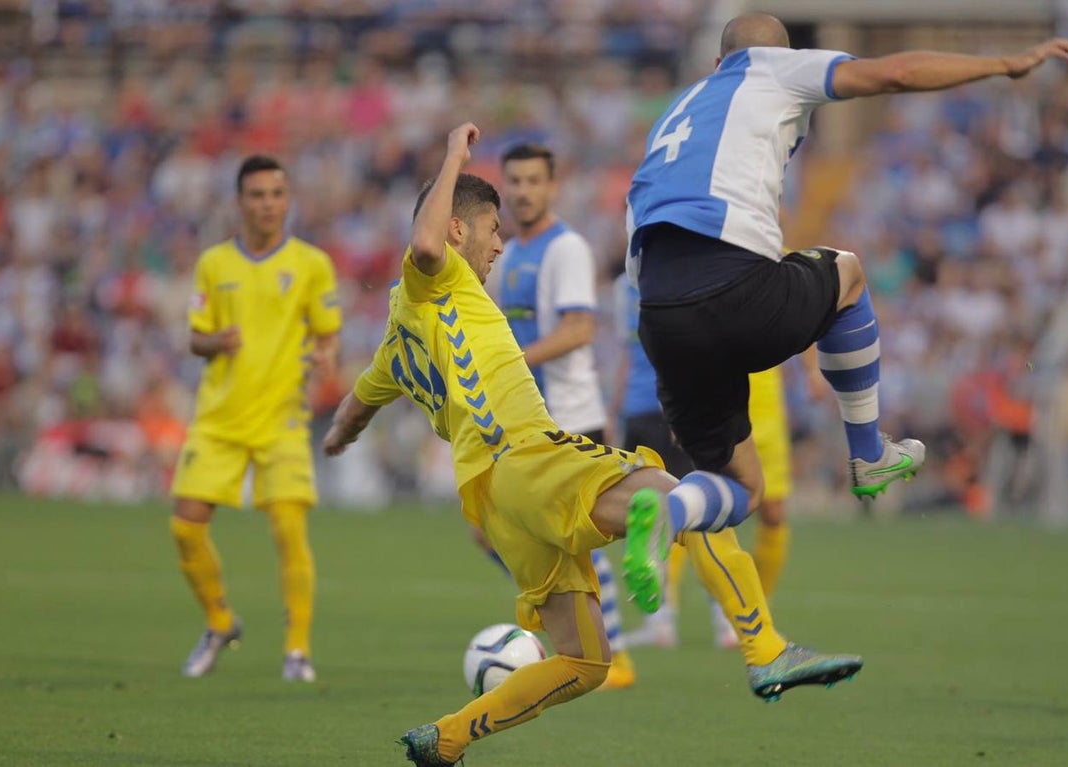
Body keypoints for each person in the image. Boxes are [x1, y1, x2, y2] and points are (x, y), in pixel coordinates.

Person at [323, 124, 862, 767]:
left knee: (584, 661)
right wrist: (452, 158)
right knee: (691, 497)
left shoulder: (394, 337)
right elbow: (424, 242)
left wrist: (338, 436)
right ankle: (765, 648)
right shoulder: (437, 281)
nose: (499, 243)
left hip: (495, 506)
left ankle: (447, 738)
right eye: (491, 228)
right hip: (531, 457)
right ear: (458, 230)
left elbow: (354, 409)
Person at [626, 13, 1068, 533]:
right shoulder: (772, 70)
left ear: (714, 64)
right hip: (728, 282)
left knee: (741, 486)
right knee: (847, 272)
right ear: (783, 53)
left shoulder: (674, 115)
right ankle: (869, 454)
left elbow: (638, 248)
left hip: (660, 317)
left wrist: (675, 366)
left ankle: (666, 509)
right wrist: (1004, 64)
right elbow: (898, 73)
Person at [169, 155, 342, 683]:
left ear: (287, 200)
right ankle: (220, 622)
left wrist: (329, 354)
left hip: (282, 419)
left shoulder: (312, 264)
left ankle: (297, 651)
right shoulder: (214, 264)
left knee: (289, 530)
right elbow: (195, 336)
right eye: (257, 195)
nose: (268, 204)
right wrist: (216, 341)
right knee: (185, 526)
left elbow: (327, 330)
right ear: (239, 202)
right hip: (219, 417)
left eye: (276, 194)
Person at [488, 142, 633, 689]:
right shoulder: (506, 253)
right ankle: (572, 626)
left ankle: (610, 651)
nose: (523, 191)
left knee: (585, 537)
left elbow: (578, 329)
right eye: (515, 182)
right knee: (493, 532)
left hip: (569, 416)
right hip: (527, 421)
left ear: (552, 187)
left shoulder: (565, 247)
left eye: (533, 181)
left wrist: (511, 364)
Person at [612, 272, 816, 650]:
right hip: (657, 408)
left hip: (711, 407)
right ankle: (683, 619)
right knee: (703, 506)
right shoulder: (628, 284)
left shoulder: (711, 264)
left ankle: (724, 617)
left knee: (708, 506)